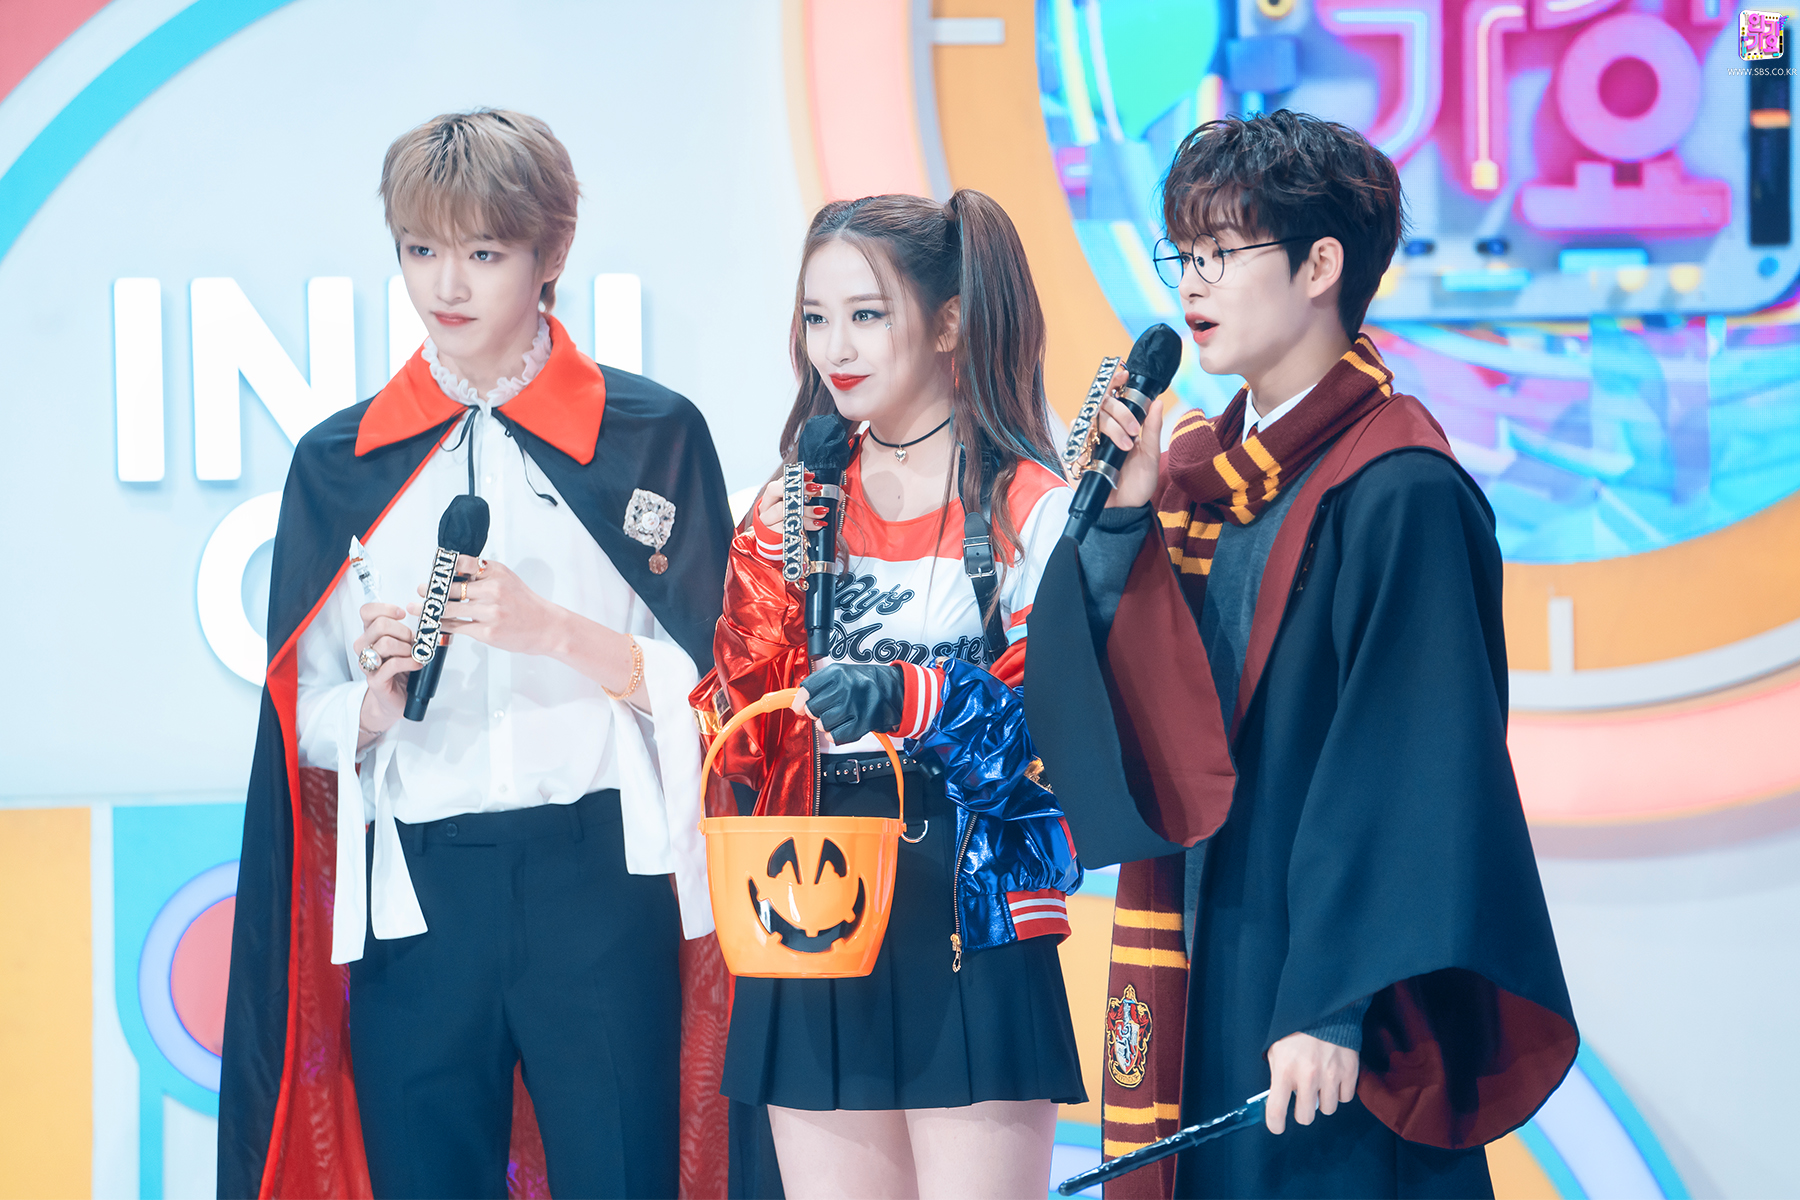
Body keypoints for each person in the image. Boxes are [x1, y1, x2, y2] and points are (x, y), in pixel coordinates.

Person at [1031, 111, 1578, 1198]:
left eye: (1222, 253)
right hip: (1204, 939)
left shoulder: (1399, 486)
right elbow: (1137, 716)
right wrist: (1123, 521)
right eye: (1184, 254)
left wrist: (1333, 1003)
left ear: (1322, 266)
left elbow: (1412, 767)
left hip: (1326, 989)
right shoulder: (1200, 479)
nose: (1193, 283)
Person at [217, 109, 735, 1199]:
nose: (446, 285)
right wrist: (370, 706)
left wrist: (557, 633)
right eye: (421, 250)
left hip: (602, 878)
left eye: (485, 254)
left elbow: (720, 692)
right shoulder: (343, 460)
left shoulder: (652, 436)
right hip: (418, 892)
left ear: (553, 254)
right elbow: (299, 713)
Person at [691, 191, 1086, 1199]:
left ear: (949, 322)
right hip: (813, 895)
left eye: (866, 314)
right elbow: (740, 732)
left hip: (968, 903)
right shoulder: (790, 504)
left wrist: (905, 695)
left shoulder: (1028, 506)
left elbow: (1049, 747)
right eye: (816, 318)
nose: (835, 348)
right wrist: (774, 601)